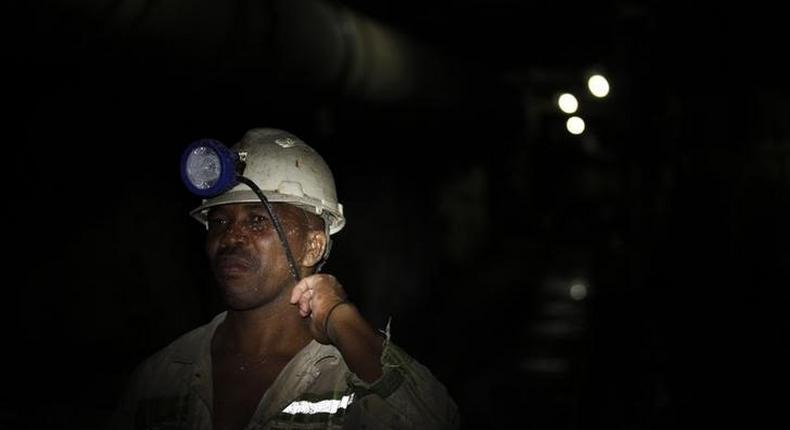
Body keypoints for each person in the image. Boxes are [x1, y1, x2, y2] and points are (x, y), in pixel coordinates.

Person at [110, 128, 459, 429]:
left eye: (258, 220)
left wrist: (342, 318)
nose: (230, 238)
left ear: (313, 245)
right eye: (218, 222)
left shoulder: (350, 373)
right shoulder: (160, 378)